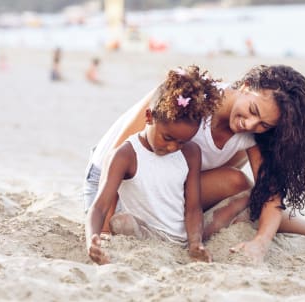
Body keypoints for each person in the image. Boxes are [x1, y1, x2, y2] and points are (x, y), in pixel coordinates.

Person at [86, 64, 305, 264]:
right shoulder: (191, 98)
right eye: (252, 111)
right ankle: (139, 227)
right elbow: (118, 156)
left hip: (168, 193)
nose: (250, 124)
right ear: (246, 86)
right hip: (114, 185)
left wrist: (261, 244)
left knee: (245, 189)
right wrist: (104, 234)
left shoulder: (252, 135)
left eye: (263, 125)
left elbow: (271, 196)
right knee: (240, 187)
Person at [85, 65, 221, 265]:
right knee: (121, 222)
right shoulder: (125, 155)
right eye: (167, 138)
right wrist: (92, 239)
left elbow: (193, 207)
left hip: (179, 238)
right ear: (149, 117)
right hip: (144, 233)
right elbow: (100, 205)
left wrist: (195, 243)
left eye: (181, 142)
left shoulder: (191, 152)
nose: (173, 147)